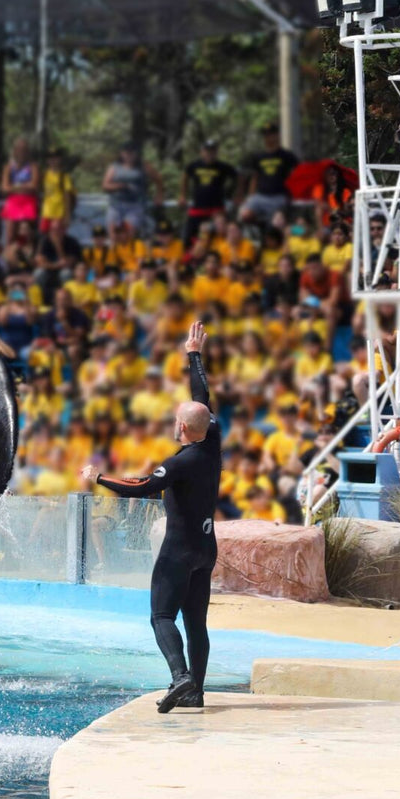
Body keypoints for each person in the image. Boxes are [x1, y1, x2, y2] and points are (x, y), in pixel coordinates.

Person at [80, 322, 220, 713]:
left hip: (179, 550)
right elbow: (202, 398)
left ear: (181, 428)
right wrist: (193, 355)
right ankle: (197, 692)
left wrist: (98, 477)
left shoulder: (180, 463)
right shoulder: (213, 442)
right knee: (196, 624)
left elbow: (140, 488)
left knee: (161, 616)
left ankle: (180, 678)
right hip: (206, 548)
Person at [180, 139, 237, 242]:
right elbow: (185, 177)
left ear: (216, 152)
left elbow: (238, 177)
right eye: (207, 151)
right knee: (189, 234)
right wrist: (183, 195)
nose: (210, 154)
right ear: (202, 152)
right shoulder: (193, 166)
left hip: (217, 208)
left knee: (219, 233)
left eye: (213, 151)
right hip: (198, 206)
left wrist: (238, 194)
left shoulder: (223, 167)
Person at [241, 122, 298, 221]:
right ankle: (258, 233)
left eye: (271, 134)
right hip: (260, 196)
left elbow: (296, 176)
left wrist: (292, 196)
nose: (268, 137)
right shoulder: (258, 156)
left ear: (277, 135)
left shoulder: (287, 155)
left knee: (278, 223)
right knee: (244, 215)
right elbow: (255, 177)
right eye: (266, 135)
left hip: (279, 197)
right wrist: (250, 197)